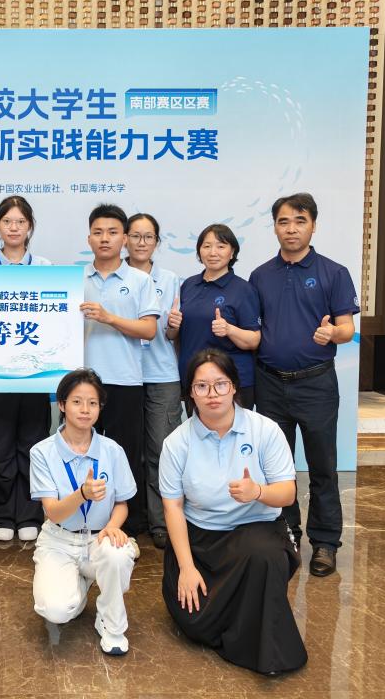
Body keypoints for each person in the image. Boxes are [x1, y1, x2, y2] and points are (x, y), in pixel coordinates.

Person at [159, 349, 305, 675]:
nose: (212, 394)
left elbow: (287, 493)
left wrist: (258, 492)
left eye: (220, 384)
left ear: (234, 386)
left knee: (264, 556)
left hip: (254, 531)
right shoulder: (177, 442)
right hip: (201, 540)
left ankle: (267, 653)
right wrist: (186, 568)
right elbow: (173, 506)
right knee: (194, 621)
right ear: (190, 393)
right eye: (201, 386)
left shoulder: (264, 430)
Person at [249, 193, 359, 577]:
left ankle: (325, 542)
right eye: (283, 221)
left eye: (299, 221)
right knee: (276, 467)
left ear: (313, 225)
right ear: (275, 227)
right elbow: (251, 329)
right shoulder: (260, 276)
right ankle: (287, 533)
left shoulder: (334, 272)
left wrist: (333, 333)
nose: (291, 229)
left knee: (322, 465)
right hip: (270, 383)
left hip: (316, 384)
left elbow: (347, 327)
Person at [30, 368, 138, 656]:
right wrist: (82, 494)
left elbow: (122, 503)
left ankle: (112, 623)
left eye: (93, 403)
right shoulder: (42, 452)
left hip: (98, 538)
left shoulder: (113, 450)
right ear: (62, 405)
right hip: (59, 540)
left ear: (100, 408)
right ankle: (81, 583)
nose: (85, 410)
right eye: (77, 402)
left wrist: (113, 526)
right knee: (56, 610)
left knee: (116, 554)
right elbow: (53, 513)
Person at [81, 203, 160, 539]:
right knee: (81, 452)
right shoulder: (75, 279)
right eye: (98, 232)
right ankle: (82, 521)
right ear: (88, 237)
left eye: (112, 232)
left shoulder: (140, 280)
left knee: (125, 455)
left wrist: (109, 317)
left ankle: (127, 527)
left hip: (125, 381)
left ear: (124, 238)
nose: (105, 238)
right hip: (83, 383)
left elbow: (149, 330)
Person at [0, 196, 53, 543]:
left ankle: (29, 514)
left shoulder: (46, 267)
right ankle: (1, 514)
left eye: (20, 222)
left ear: (30, 227)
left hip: (36, 377)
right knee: (1, 449)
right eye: (7, 221)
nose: (13, 228)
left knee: (32, 447)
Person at [123, 212, 182, 551]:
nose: (141, 242)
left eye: (148, 237)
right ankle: (130, 517)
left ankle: (161, 521)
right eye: (135, 235)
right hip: (123, 374)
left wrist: (174, 326)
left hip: (161, 373)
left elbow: (172, 333)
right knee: (127, 451)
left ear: (157, 242)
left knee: (161, 449)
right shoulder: (115, 276)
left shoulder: (170, 279)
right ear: (125, 240)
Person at [167, 223, 261, 410]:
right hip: (195, 380)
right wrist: (173, 326)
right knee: (197, 429)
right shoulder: (189, 285)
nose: (213, 252)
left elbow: (254, 340)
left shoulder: (243, 289)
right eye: (207, 246)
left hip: (231, 382)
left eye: (221, 246)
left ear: (232, 252)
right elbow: (174, 336)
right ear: (199, 251)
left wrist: (229, 329)